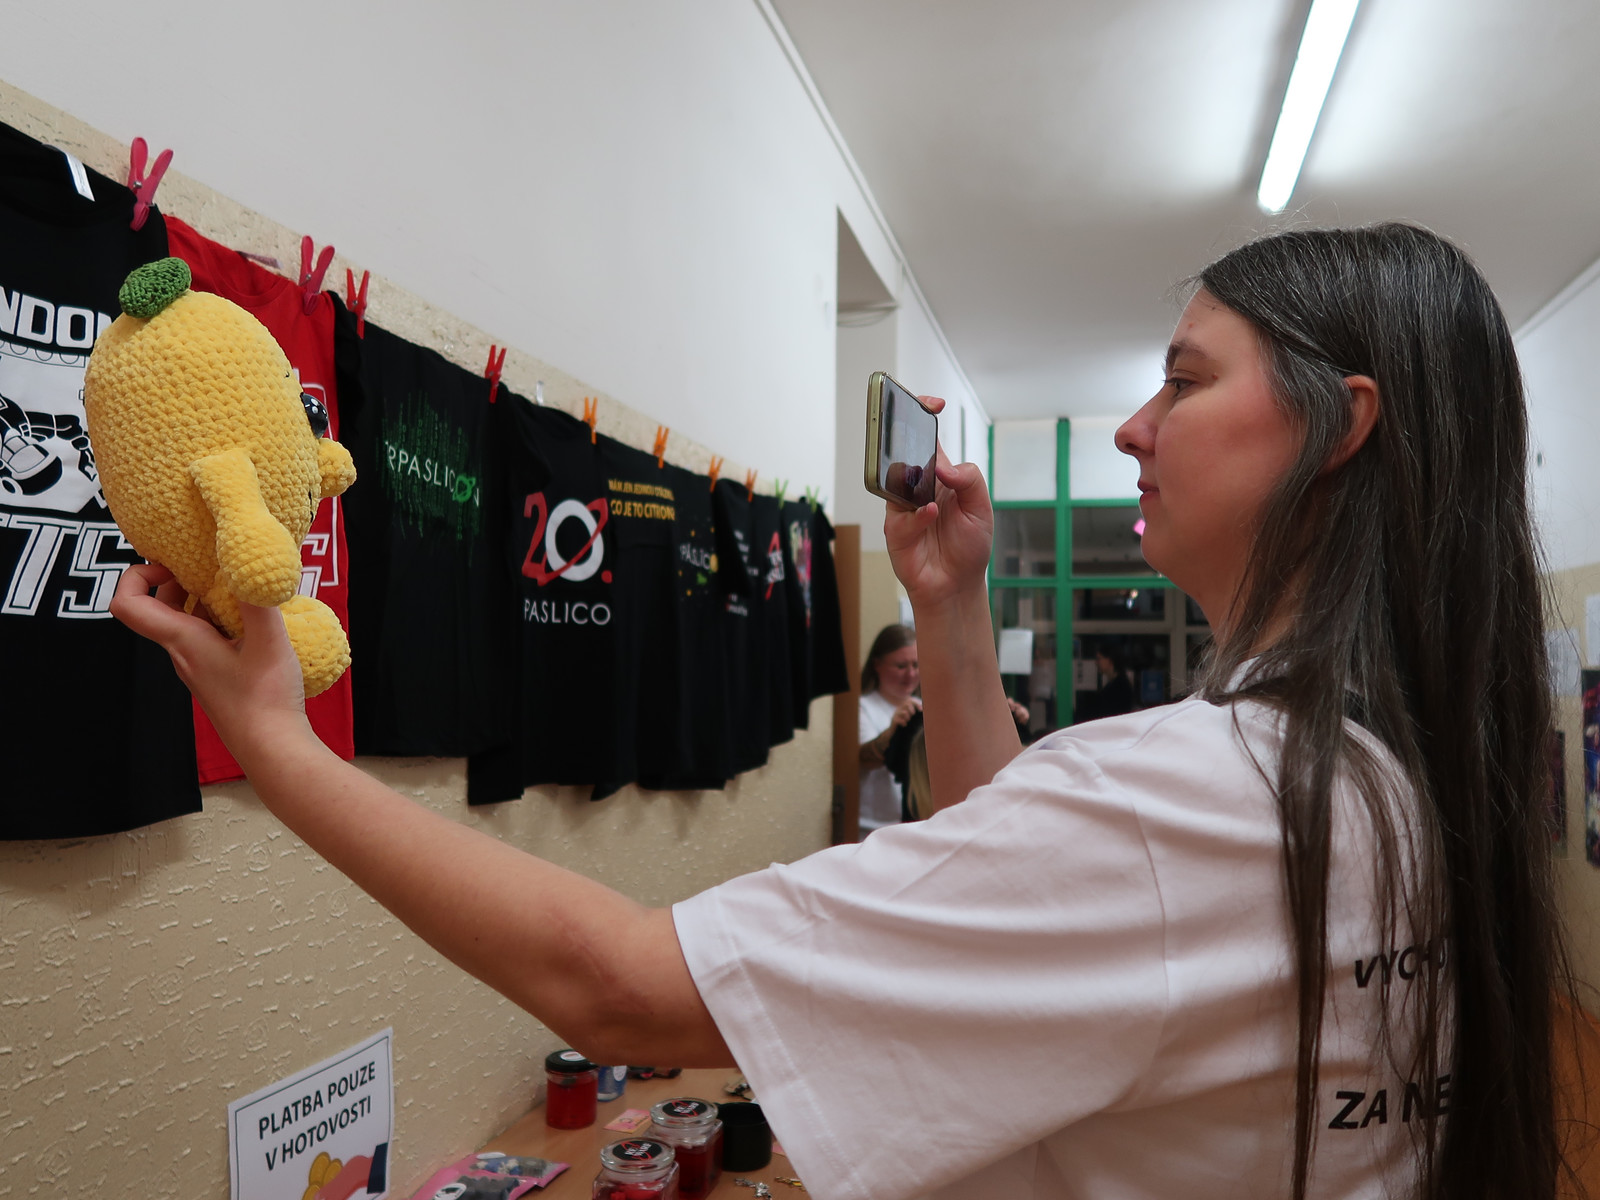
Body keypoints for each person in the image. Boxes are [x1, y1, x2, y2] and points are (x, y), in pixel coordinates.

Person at [111, 224, 1576, 1200]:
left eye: (1184, 382)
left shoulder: (1197, 798)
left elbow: (613, 985)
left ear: (1341, 425)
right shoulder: (1381, 772)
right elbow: (1045, 880)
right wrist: (948, 606)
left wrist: (281, 747)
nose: (1134, 427)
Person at [856, 624, 921, 835]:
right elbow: (864, 758)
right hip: (872, 828)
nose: (910, 674)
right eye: (901, 666)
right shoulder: (862, 708)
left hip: (915, 826)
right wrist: (893, 731)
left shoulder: (925, 708)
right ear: (877, 664)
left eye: (916, 665)